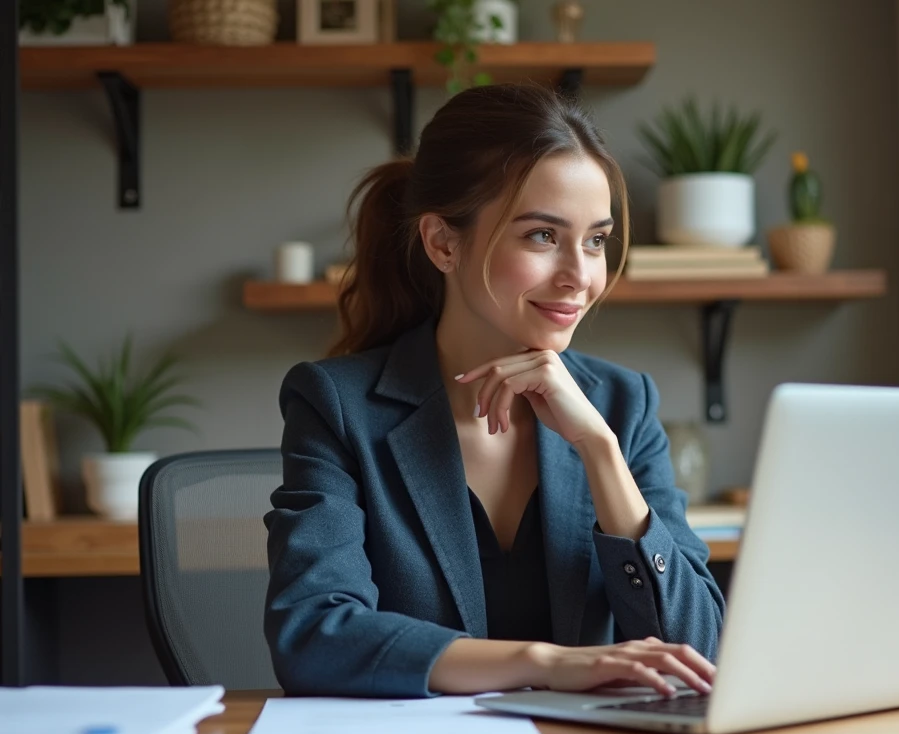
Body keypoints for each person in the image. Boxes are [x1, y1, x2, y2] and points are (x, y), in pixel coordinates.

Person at [263, 83, 725, 700]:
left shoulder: (621, 405)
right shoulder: (337, 406)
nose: (580, 276)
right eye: (542, 236)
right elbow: (312, 636)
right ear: (443, 243)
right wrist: (543, 662)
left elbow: (696, 651)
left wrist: (599, 450)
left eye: (595, 240)